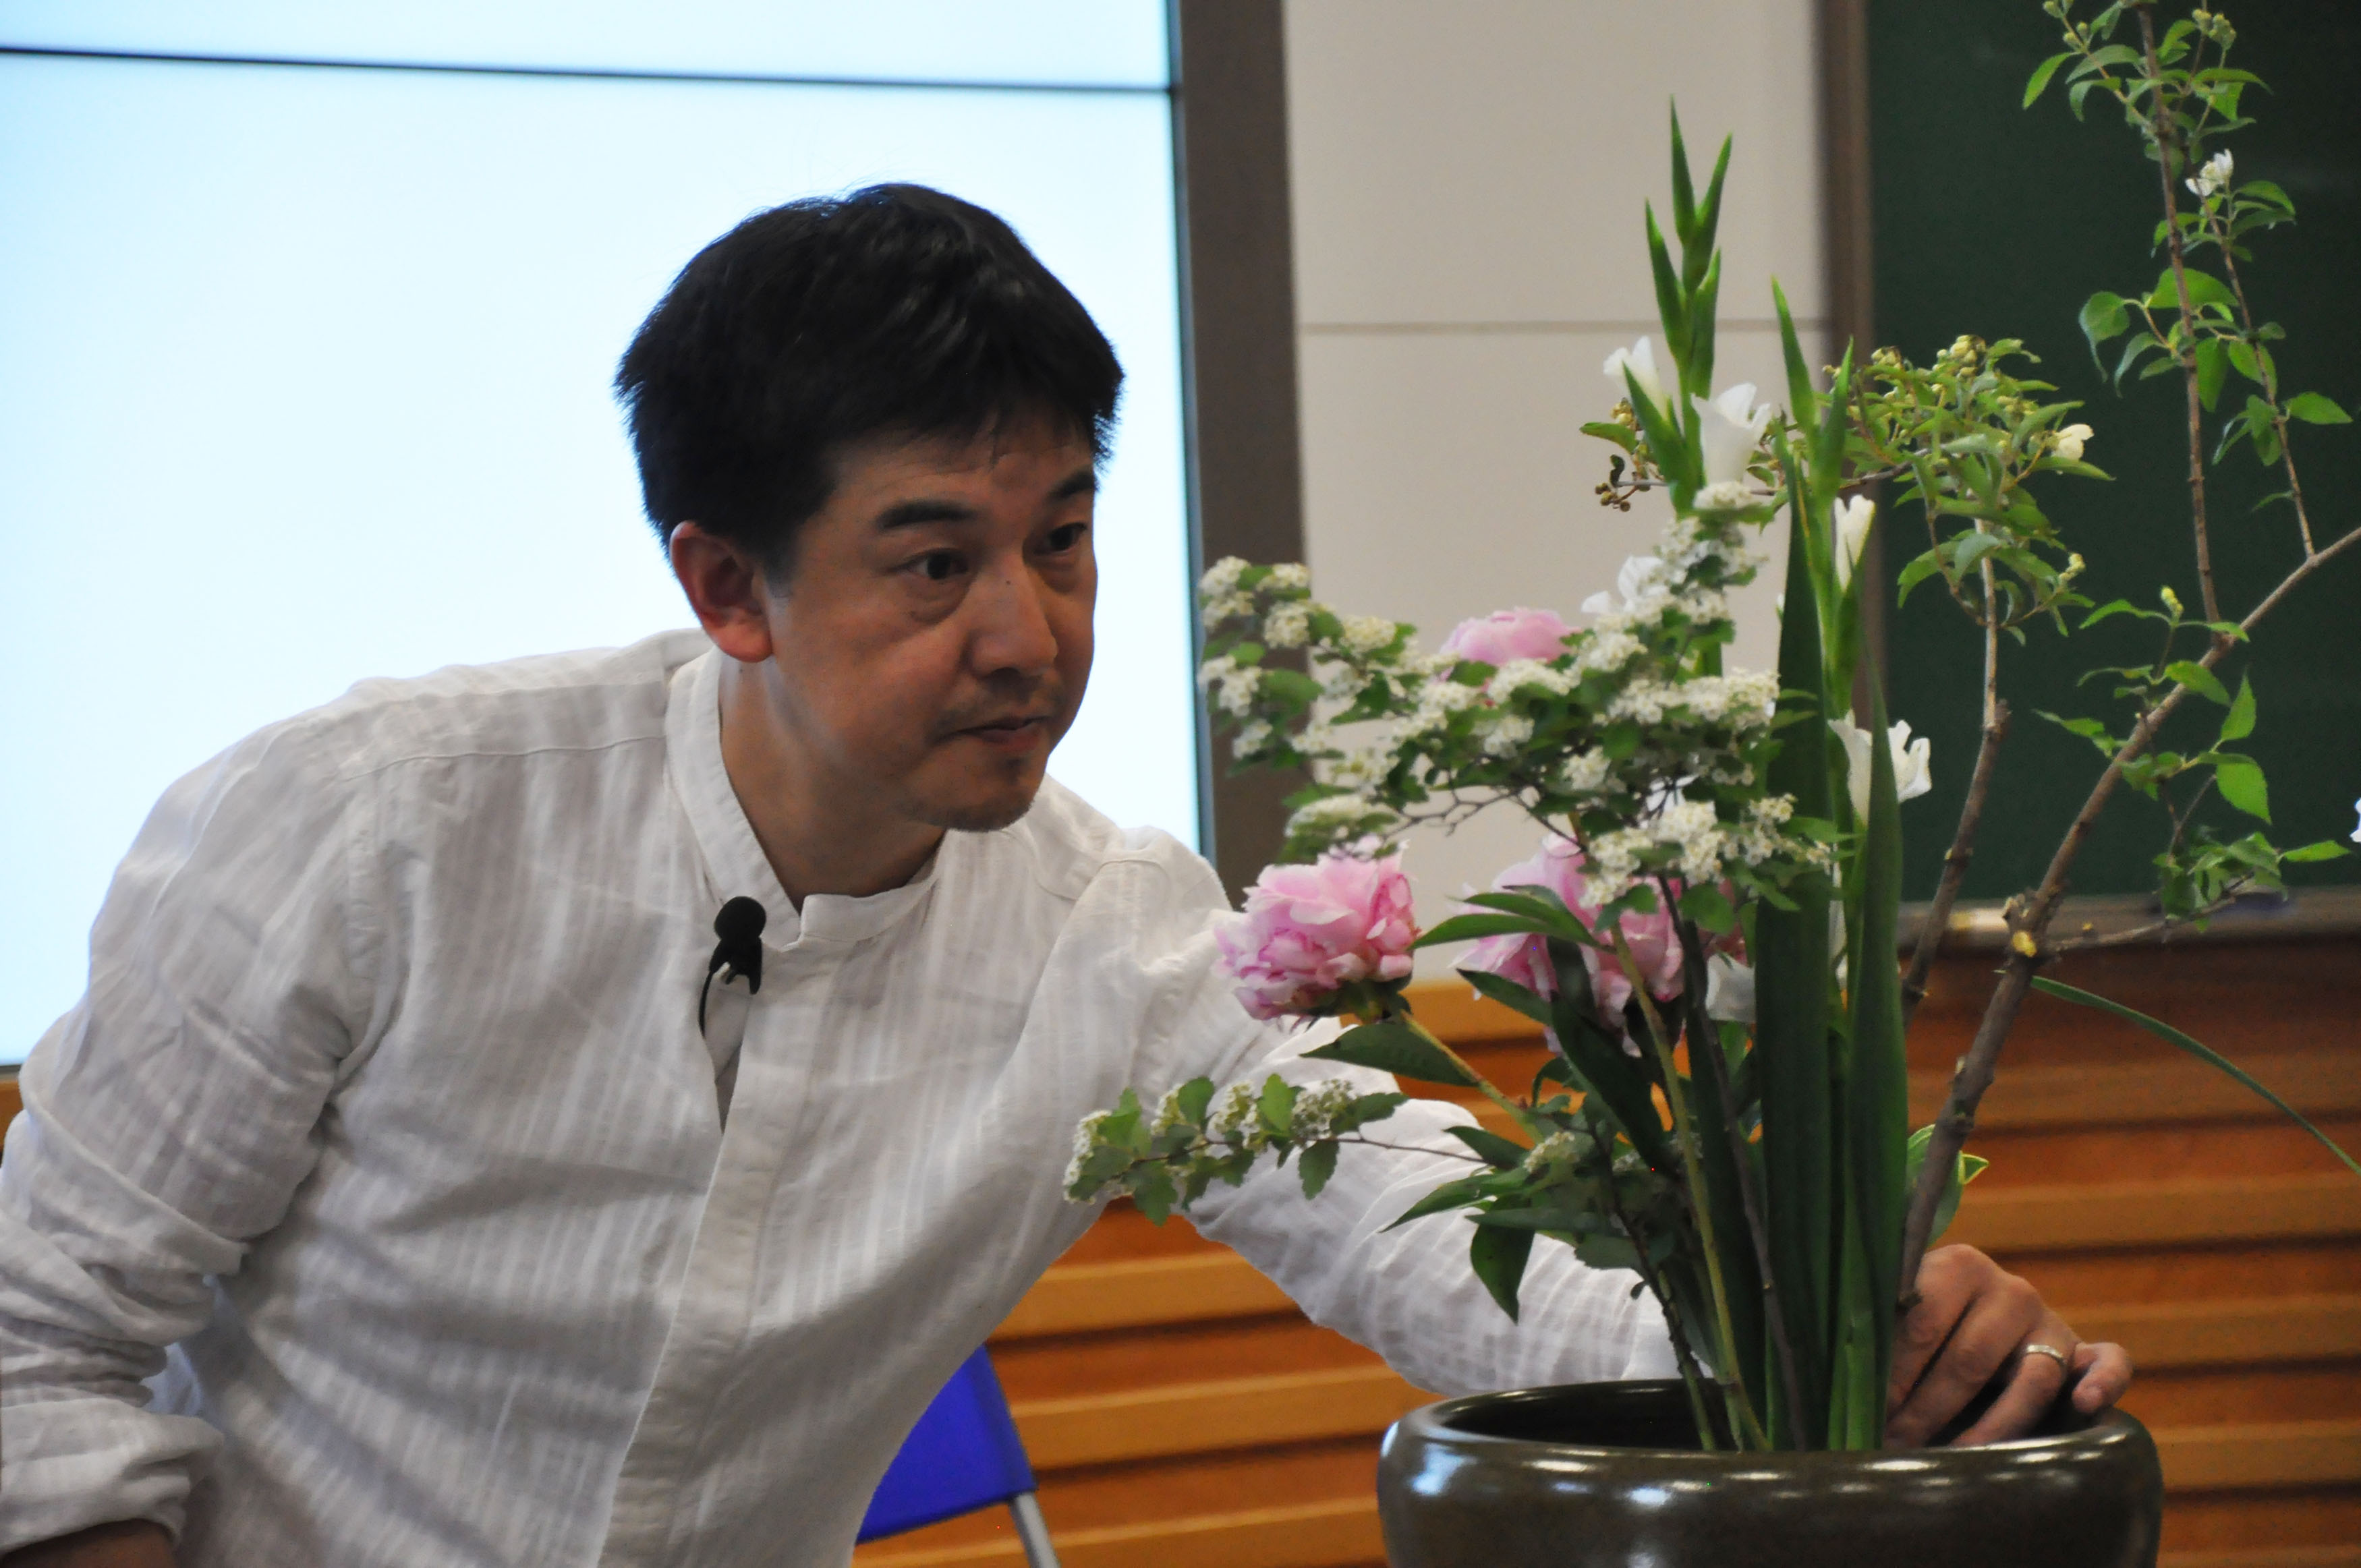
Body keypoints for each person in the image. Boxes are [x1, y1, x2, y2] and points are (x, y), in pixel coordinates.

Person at [0, 184, 2130, 1568]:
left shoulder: (1115, 939)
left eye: (1063, 539)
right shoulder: (370, 827)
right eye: (932, 563)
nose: (1028, 635)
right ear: (727, 586)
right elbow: (34, 1358)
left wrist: (1858, 1338)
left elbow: (1447, 1246)